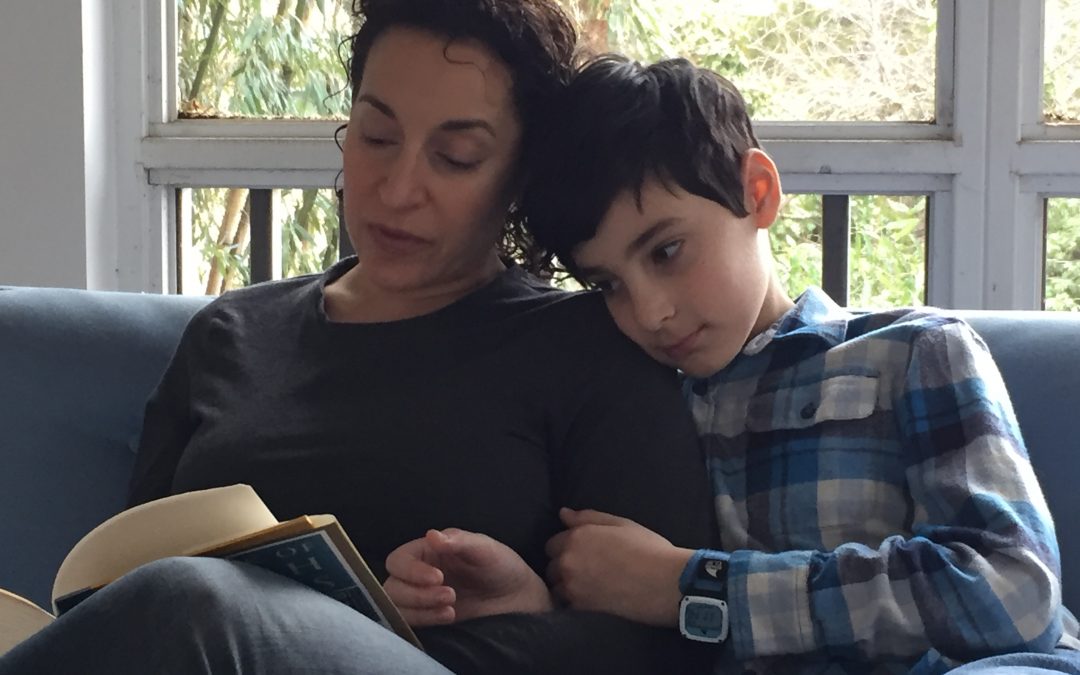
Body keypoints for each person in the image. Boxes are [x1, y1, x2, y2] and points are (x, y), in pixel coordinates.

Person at [0, 6, 717, 674]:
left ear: (518, 180)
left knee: (197, 598)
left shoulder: (587, 348)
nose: (398, 187)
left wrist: (456, 619)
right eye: (376, 136)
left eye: (457, 156)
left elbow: (664, 644)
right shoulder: (232, 333)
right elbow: (112, 588)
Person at [385, 54, 1080, 673]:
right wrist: (530, 601)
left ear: (758, 192)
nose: (650, 311)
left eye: (666, 251)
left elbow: (1014, 593)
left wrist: (695, 585)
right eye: (608, 285)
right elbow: (642, 628)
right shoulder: (640, 404)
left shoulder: (913, 352)